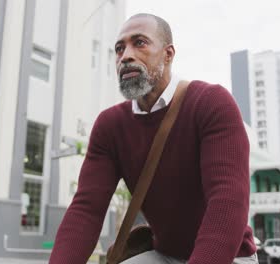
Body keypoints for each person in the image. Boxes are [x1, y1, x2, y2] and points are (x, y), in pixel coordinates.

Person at [49, 13, 257, 264]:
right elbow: (86, 210)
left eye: (139, 43)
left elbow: (228, 201)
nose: (125, 56)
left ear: (168, 54)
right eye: (119, 48)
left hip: (229, 255)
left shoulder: (211, 103)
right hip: (165, 255)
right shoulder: (110, 126)